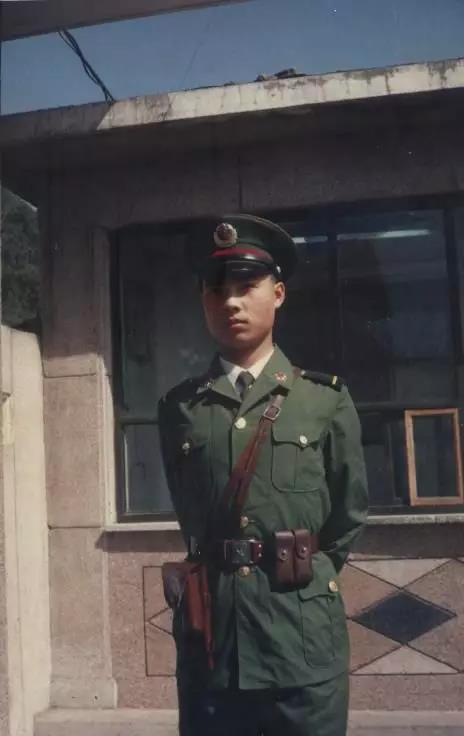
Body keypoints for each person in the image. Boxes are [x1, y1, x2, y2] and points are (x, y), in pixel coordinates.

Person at [158, 214, 368, 736]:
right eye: (216, 290)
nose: (230, 302)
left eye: (246, 286)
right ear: (203, 301)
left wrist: (298, 567)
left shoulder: (323, 400)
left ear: (277, 294)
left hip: (301, 644)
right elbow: (190, 514)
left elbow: (346, 516)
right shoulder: (180, 409)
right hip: (212, 648)